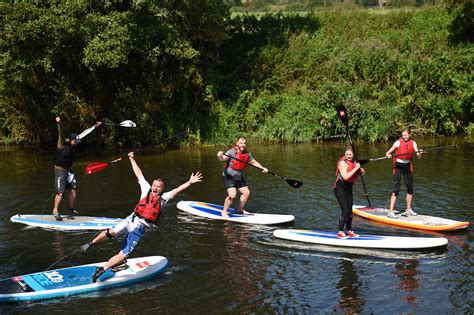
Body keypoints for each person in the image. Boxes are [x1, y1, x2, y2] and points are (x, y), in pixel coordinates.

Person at [80, 152, 203, 283]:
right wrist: (131, 158)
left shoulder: (164, 198)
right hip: (130, 219)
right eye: (154, 185)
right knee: (111, 232)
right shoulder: (146, 189)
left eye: (158, 187)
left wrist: (190, 182)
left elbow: (178, 189)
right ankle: (90, 244)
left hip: (139, 229)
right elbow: (138, 173)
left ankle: (102, 269)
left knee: (123, 254)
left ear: (162, 189)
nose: (155, 188)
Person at [52, 116, 101, 221]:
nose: (76, 143)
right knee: (61, 192)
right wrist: (59, 124)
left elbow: (84, 133)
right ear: (70, 140)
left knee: (74, 188)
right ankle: (55, 210)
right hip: (60, 169)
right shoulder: (61, 144)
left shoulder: (74, 142)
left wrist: (94, 127)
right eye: (75, 141)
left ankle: (71, 207)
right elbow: (61, 133)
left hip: (68, 169)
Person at [217, 137, 268, 217]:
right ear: (237, 143)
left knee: (246, 193)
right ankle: (224, 211)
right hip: (228, 177)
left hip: (238, 177)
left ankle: (240, 209)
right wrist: (219, 155)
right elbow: (223, 158)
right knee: (232, 195)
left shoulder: (247, 154)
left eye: (244, 143)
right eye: (241, 143)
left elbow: (254, 162)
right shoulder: (231, 152)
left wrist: (262, 168)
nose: (243, 145)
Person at [385, 129, 422, 218]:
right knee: (396, 188)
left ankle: (408, 209)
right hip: (398, 166)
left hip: (407, 166)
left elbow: (418, 156)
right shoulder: (398, 143)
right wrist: (388, 155)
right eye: (402, 135)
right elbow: (387, 153)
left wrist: (420, 153)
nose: (404, 137)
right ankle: (390, 211)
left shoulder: (413, 143)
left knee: (410, 187)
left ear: (409, 134)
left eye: (405, 135)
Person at [334, 147, 364, 239]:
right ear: (344, 154)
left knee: (350, 212)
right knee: (345, 211)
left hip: (348, 188)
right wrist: (356, 168)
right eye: (347, 154)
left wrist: (361, 171)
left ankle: (349, 230)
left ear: (353, 155)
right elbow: (346, 177)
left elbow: (356, 173)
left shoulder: (354, 162)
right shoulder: (342, 163)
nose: (348, 156)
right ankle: (340, 232)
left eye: (350, 154)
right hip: (340, 188)